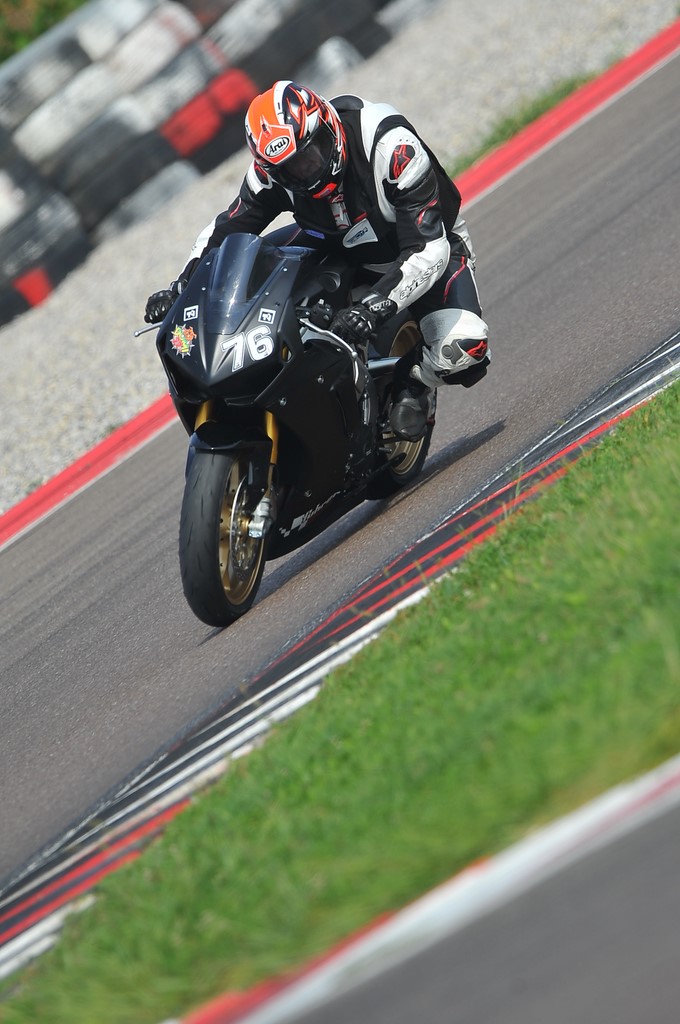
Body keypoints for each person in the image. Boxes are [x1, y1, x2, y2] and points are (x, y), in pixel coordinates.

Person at [145, 80, 490, 441]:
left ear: (327, 124)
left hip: (426, 250)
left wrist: (371, 309)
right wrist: (181, 287)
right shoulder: (271, 171)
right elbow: (226, 229)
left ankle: (413, 380)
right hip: (333, 245)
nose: (307, 170)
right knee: (250, 271)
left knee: (466, 349)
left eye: (312, 152)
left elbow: (427, 248)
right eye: (292, 169)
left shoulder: (390, 146)